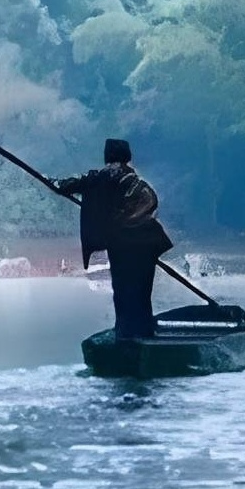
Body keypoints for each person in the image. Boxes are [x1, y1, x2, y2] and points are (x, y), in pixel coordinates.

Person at [51, 139, 173, 339]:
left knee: (125, 290)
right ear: (127, 157)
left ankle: (129, 332)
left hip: (124, 243)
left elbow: (61, 185)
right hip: (142, 244)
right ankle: (137, 332)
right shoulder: (133, 181)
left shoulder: (97, 179)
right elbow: (151, 200)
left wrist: (121, 222)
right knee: (139, 291)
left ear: (107, 157)